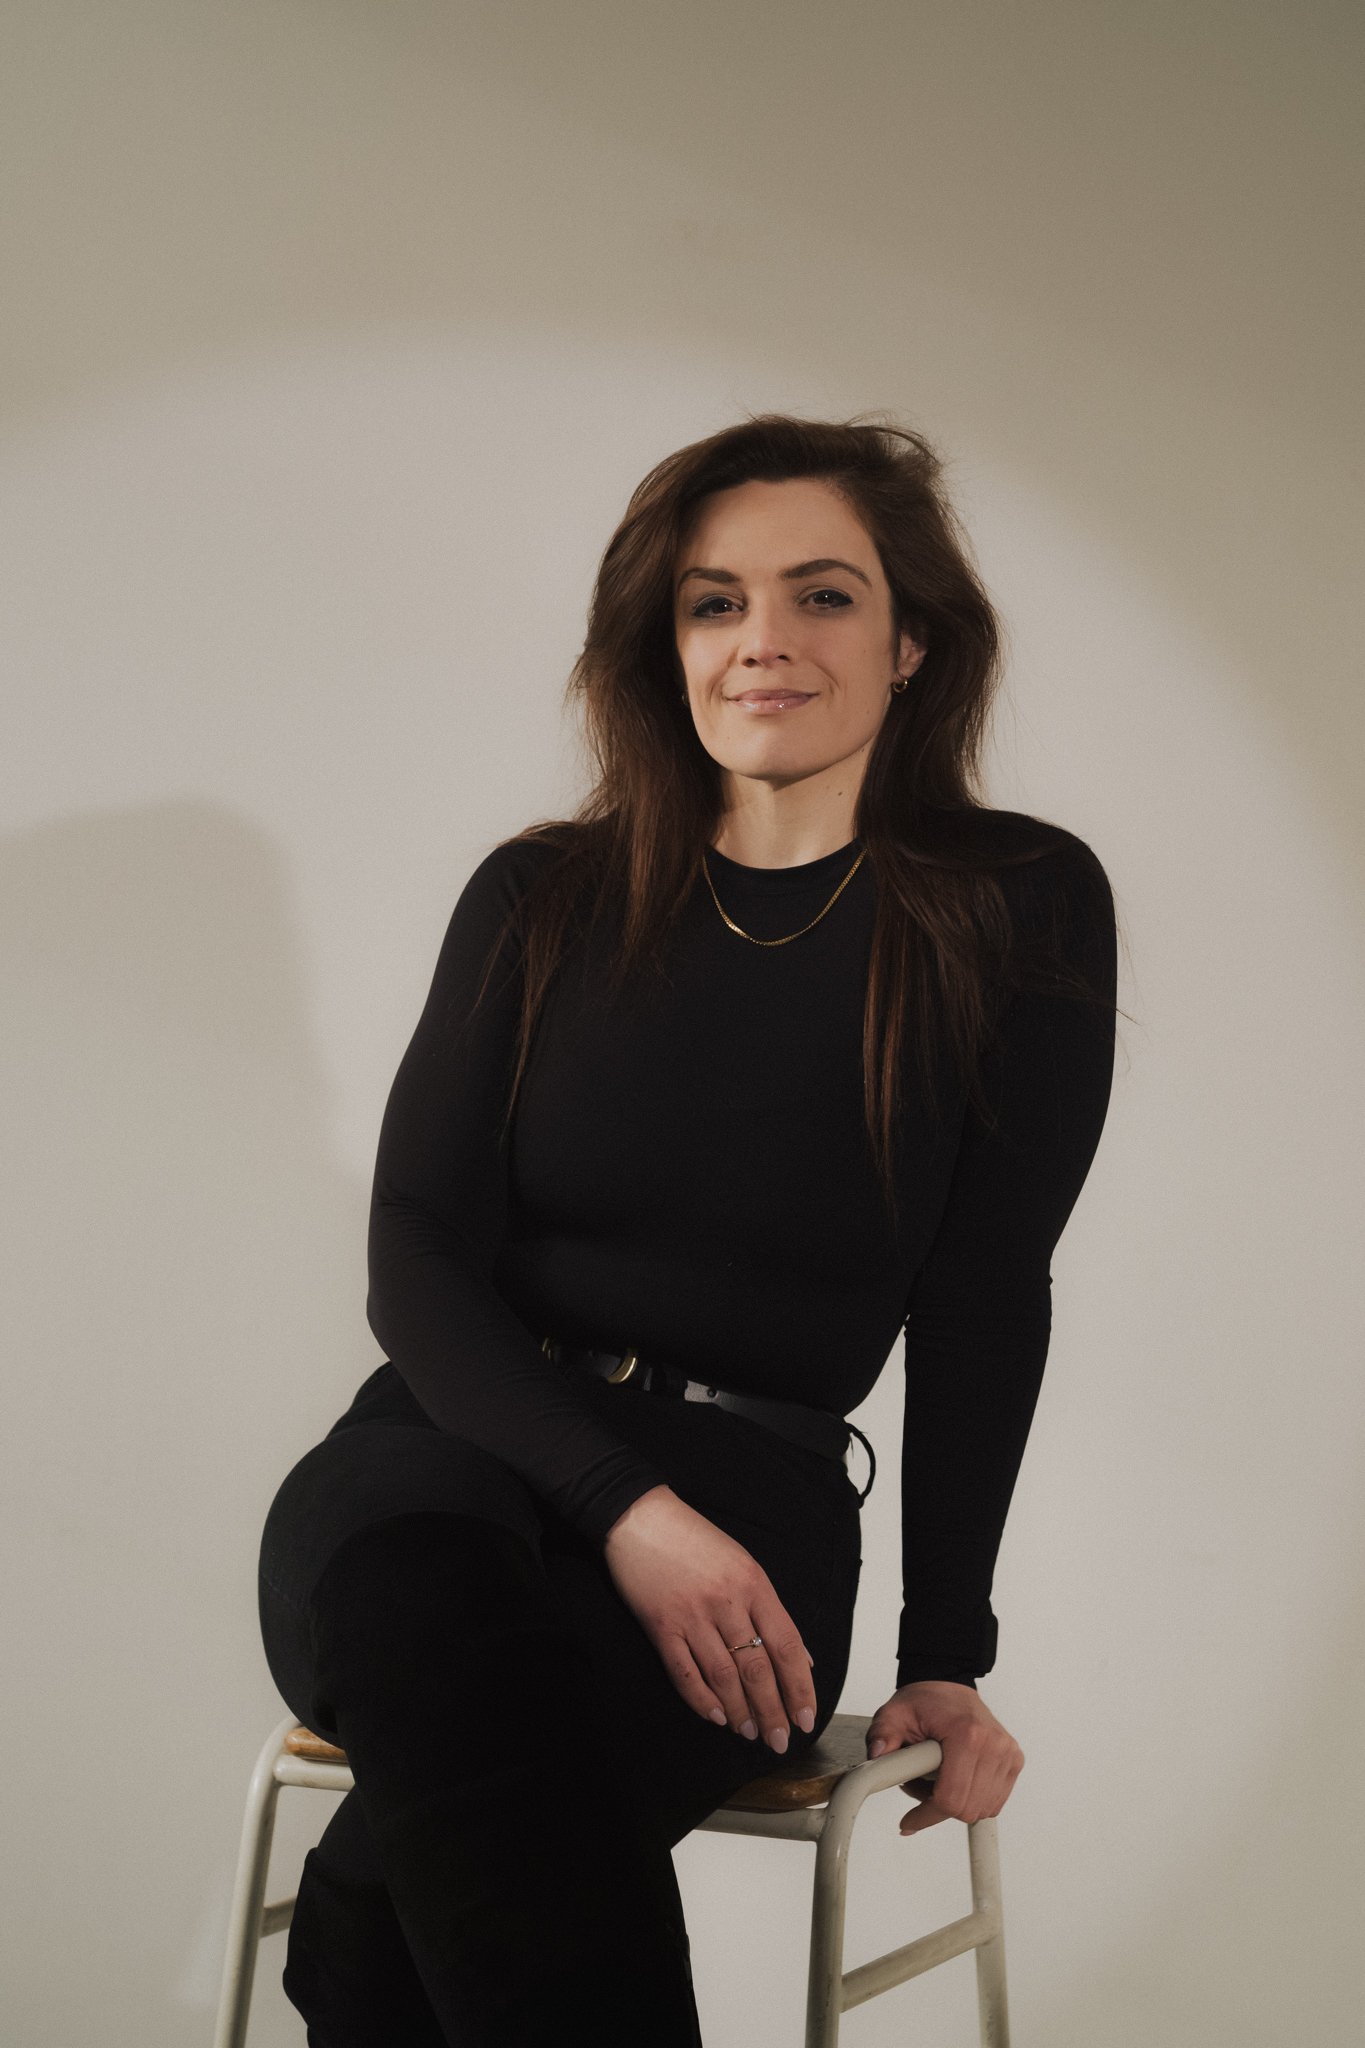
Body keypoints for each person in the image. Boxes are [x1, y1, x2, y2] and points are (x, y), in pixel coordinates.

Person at [256, 410, 1120, 2046]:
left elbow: (986, 1291)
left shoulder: (1010, 903)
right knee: (416, 1600)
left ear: (912, 637)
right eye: (714, 602)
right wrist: (622, 1505)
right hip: (452, 1451)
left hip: (757, 1515)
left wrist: (946, 1650)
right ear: (663, 643)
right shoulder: (543, 898)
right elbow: (416, 1252)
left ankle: (351, 1960)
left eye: (822, 596)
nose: (763, 643)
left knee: (395, 1890)